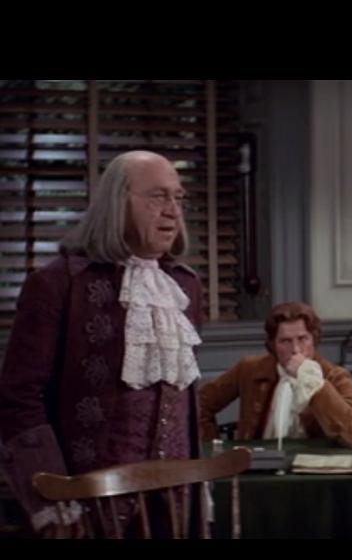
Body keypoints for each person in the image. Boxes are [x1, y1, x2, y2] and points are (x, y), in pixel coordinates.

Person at [0, 151, 203, 537]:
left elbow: (183, 400)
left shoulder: (184, 286)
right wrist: (55, 503)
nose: (173, 211)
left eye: (178, 197)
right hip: (87, 512)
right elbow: (18, 399)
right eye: (158, 197)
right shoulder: (58, 284)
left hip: (174, 510)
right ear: (116, 202)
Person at [198, 301, 352, 448]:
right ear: (273, 344)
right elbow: (198, 405)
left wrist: (314, 383)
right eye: (285, 341)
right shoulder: (249, 369)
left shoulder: (335, 376)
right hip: (259, 464)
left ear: (314, 340)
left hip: (312, 466)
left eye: (302, 339)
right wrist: (213, 446)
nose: (295, 349)